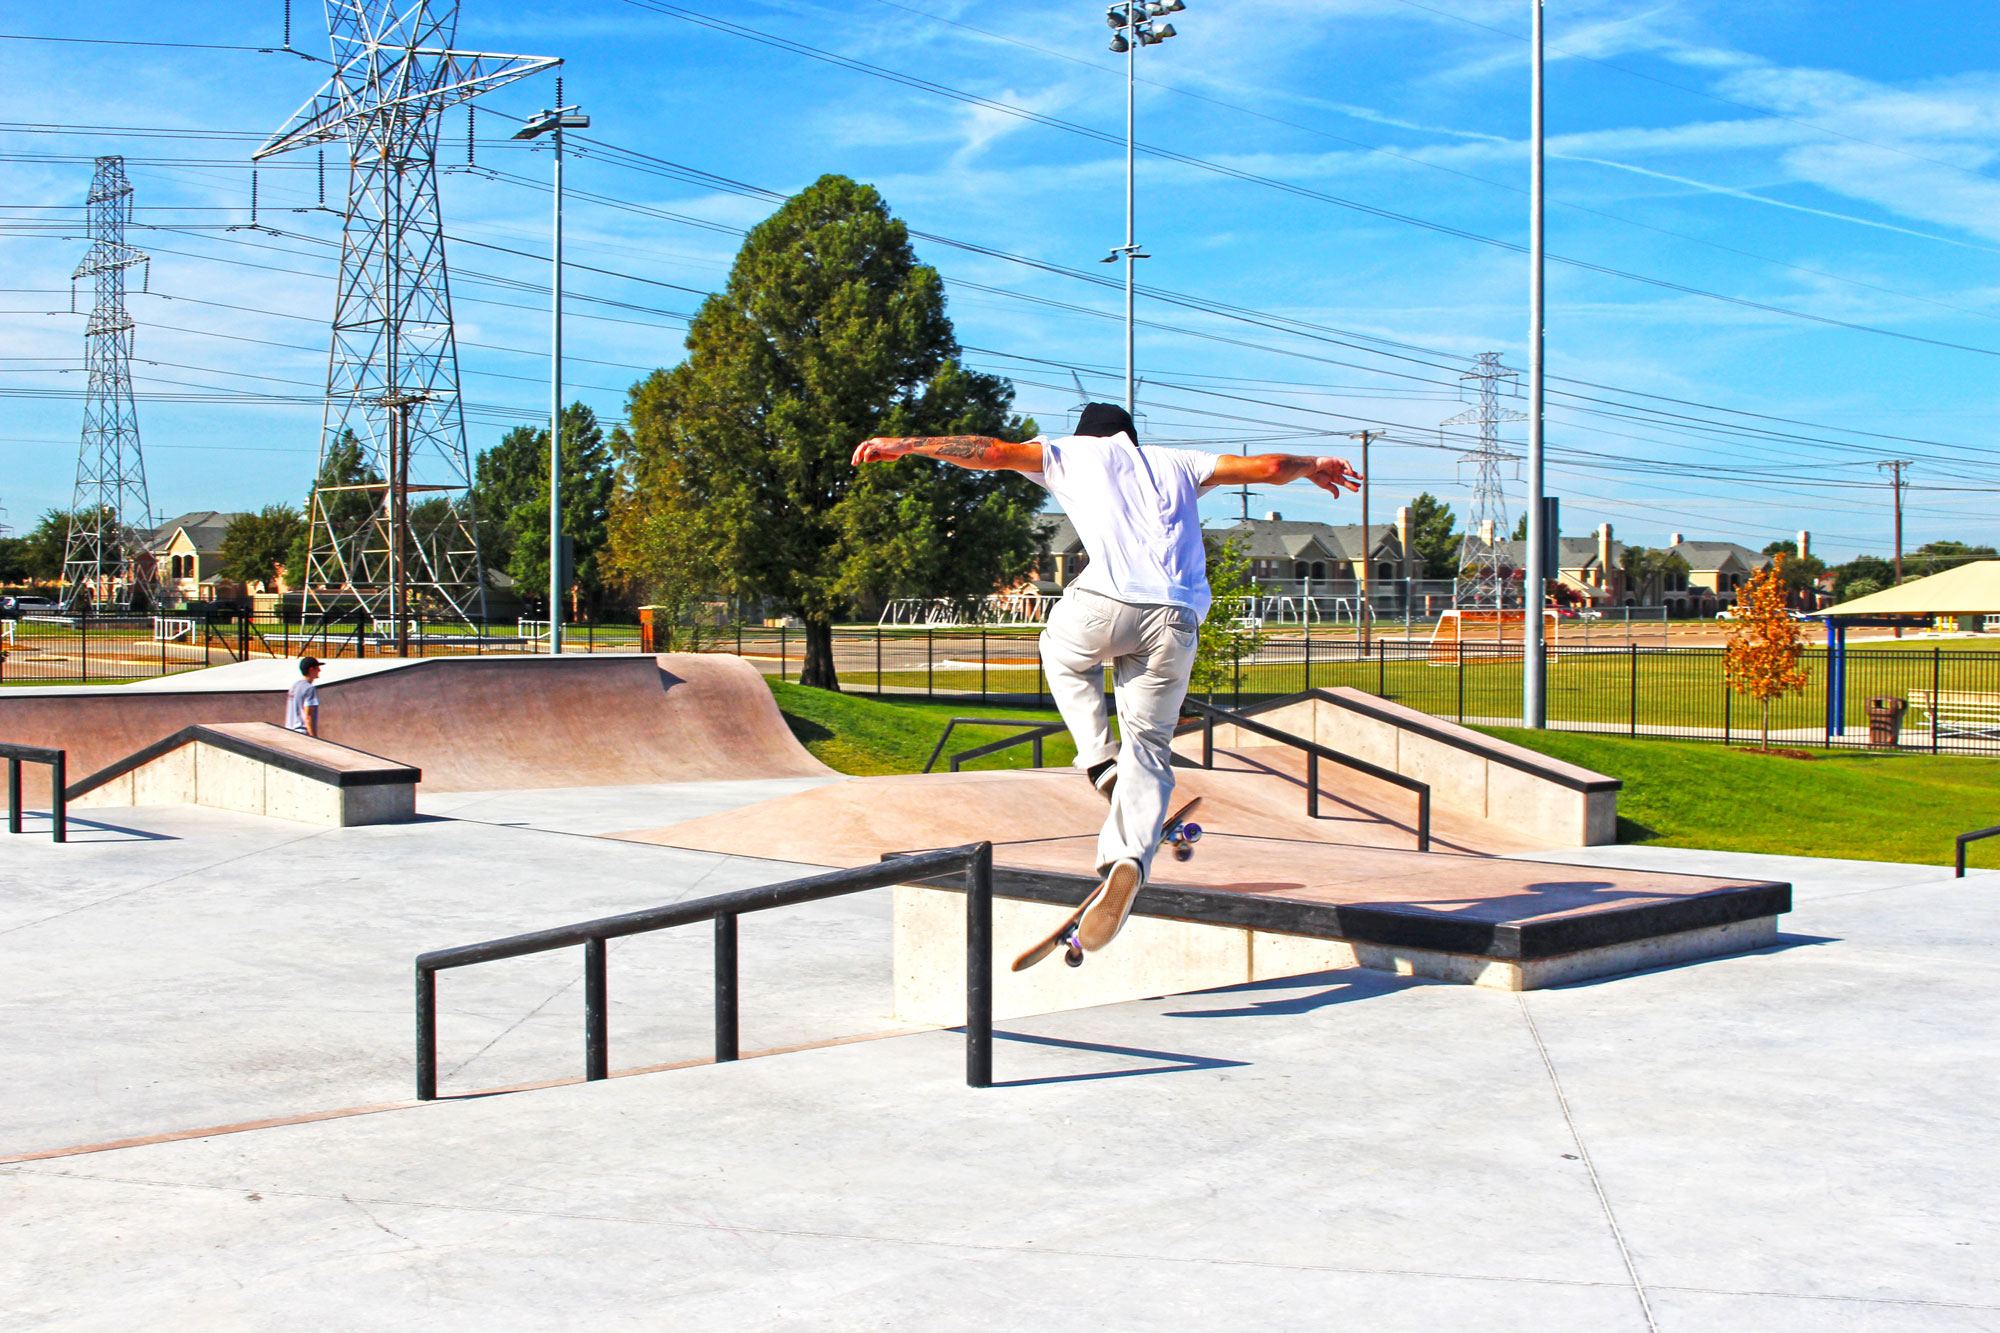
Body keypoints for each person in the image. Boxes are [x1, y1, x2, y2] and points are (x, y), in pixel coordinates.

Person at [852, 404, 1361, 953]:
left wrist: (905, 443)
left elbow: (993, 453)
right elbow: (1268, 466)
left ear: (1086, 435)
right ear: (1133, 437)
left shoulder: (1071, 452)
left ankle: (1098, 761)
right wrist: (1313, 465)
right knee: (1150, 746)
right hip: (1178, 617)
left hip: (1105, 604)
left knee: (1062, 651)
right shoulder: (1178, 462)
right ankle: (1128, 857)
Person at [286, 656, 323, 738]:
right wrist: (314, 738)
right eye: (317, 668)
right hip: (301, 732)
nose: (319, 670)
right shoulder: (309, 688)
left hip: (289, 731)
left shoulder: (294, 686)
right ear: (311, 669)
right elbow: (308, 716)